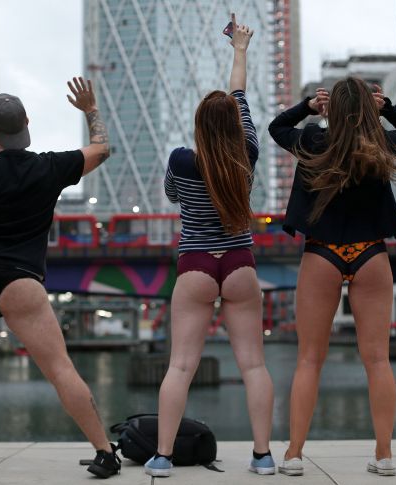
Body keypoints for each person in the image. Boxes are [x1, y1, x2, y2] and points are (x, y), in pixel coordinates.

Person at [0, 78, 121, 479]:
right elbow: (102, 148)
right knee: (60, 368)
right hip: (22, 281)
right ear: (27, 122)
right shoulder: (51, 166)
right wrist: (89, 110)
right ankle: (104, 453)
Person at [269, 77, 396, 477]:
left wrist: (308, 106)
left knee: (308, 360)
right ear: (367, 108)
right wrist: (385, 106)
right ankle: (384, 454)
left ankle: (294, 456)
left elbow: (276, 129)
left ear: (331, 108)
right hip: (370, 252)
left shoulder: (312, 142)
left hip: (323, 252)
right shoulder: (380, 146)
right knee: (377, 360)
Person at [144, 13, 276, 478]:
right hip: (240, 262)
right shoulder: (249, 154)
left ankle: (161, 456)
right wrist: (239, 51)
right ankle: (262, 457)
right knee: (253, 366)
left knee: (180, 366)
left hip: (195, 264)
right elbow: (238, 100)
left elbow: (172, 196)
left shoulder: (182, 160)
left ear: (200, 126)